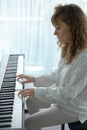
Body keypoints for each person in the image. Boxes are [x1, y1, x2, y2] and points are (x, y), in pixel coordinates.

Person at [17, 3, 87, 130]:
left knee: (30, 123)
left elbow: (69, 93)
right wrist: (34, 79)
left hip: (75, 107)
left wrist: (38, 91)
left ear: (73, 27)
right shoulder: (70, 46)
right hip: (65, 99)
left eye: (58, 28)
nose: (55, 33)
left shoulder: (85, 57)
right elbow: (57, 74)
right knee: (30, 101)